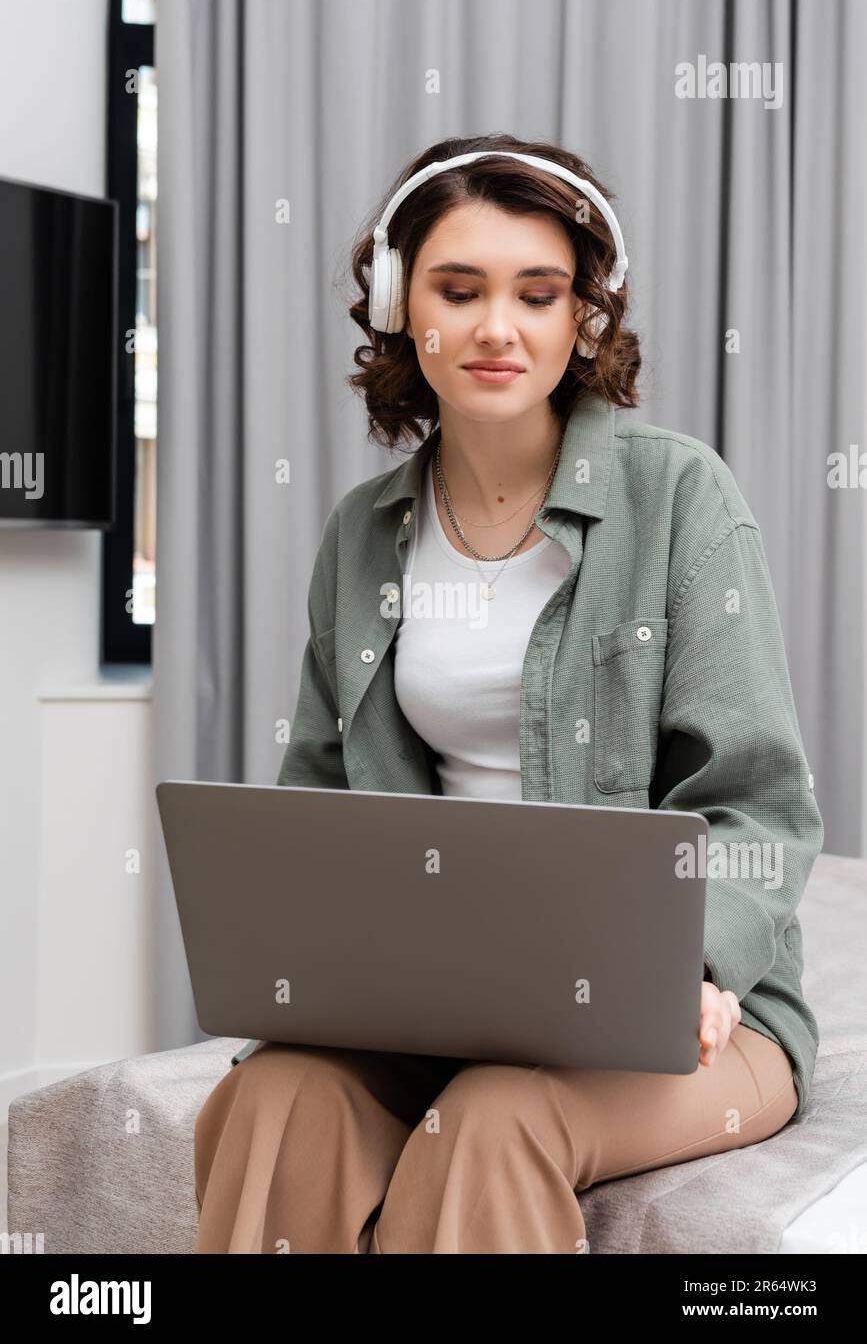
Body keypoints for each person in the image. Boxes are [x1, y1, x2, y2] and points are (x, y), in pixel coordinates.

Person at [193, 133, 821, 1254]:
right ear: (399, 306)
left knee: (493, 1115)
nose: (497, 328)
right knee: (278, 1098)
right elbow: (323, 808)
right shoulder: (363, 534)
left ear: (584, 315)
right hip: (436, 1002)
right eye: (458, 288)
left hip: (685, 1013)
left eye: (538, 294)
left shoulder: (679, 497)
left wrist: (701, 961)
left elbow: (761, 806)